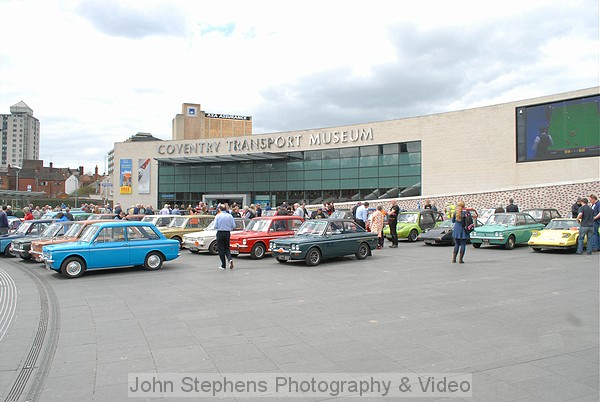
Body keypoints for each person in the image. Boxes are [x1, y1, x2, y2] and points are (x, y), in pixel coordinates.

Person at [214, 204, 236, 270]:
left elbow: (215, 226)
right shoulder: (230, 216)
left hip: (220, 232)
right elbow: (234, 225)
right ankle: (230, 259)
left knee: (221, 249)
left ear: (219, 209)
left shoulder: (218, 216)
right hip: (227, 233)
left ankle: (223, 265)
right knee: (227, 248)